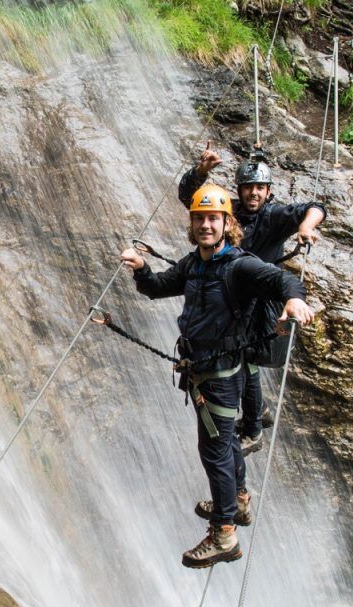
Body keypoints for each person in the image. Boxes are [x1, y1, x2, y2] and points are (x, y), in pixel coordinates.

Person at [120, 184, 313, 569]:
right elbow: (159, 288)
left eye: (213, 218)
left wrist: (295, 299)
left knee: (215, 451)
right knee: (224, 446)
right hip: (205, 371)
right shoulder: (196, 264)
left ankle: (224, 532)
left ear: (227, 223)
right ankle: (237, 499)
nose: (206, 225)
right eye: (200, 218)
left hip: (220, 376)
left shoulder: (239, 265)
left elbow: (281, 280)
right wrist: (143, 270)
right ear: (192, 224)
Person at [178, 146, 326, 456]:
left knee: (246, 357)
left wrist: (306, 226)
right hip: (233, 296)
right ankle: (259, 412)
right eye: (248, 187)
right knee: (239, 358)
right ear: (240, 190)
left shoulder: (274, 216)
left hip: (262, 300)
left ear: (268, 191)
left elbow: (315, 206)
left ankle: (255, 428)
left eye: (259, 188)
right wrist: (201, 171)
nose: (253, 193)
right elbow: (190, 197)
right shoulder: (229, 211)